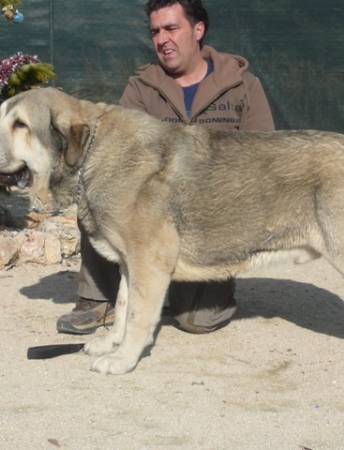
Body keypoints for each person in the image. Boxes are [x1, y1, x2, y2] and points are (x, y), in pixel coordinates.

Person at [56, 0, 274, 335]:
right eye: (155, 31)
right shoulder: (141, 88)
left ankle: (200, 291)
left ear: (197, 30)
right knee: (99, 191)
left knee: (195, 322)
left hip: (210, 222)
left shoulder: (244, 86)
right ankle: (98, 298)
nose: (162, 39)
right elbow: (117, 156)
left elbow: (263, 159)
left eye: (171, 28)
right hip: (153, 214)